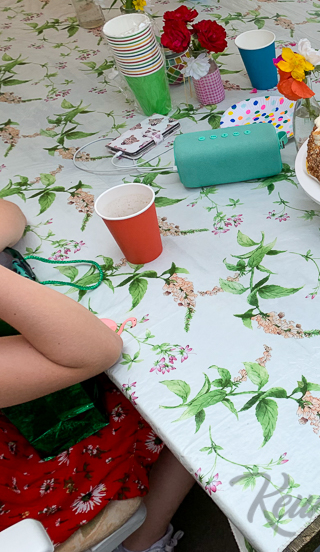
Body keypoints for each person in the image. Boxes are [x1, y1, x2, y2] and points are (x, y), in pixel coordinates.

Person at [0, 199, 194, 552]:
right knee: (186, 386)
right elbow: (96, 350)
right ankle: (144, 539)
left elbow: (9, 212)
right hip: (27, 490)